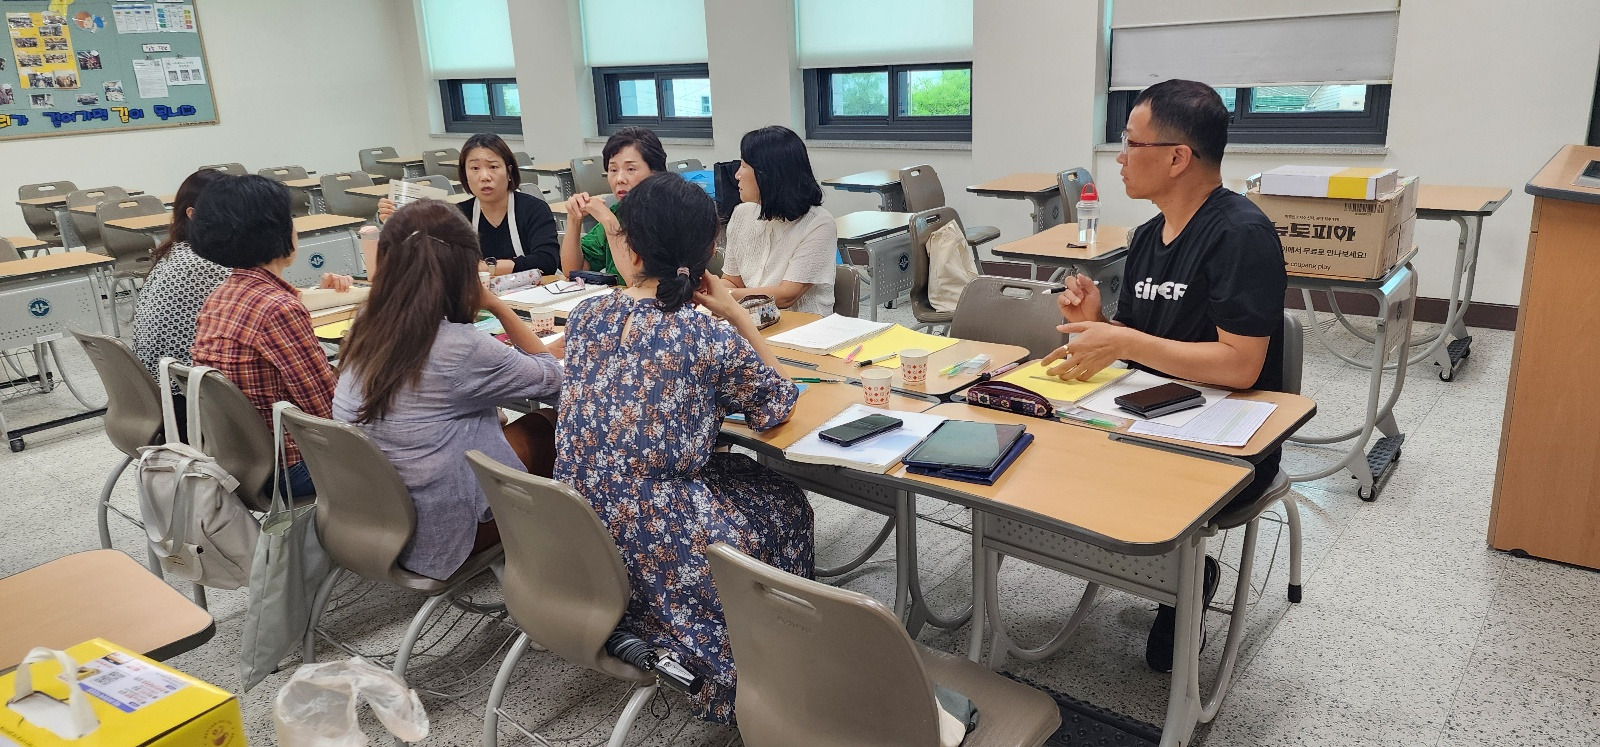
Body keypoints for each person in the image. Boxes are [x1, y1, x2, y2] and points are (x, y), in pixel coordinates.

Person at [1043, 79, 1287, 673]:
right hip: (1152, 413)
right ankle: (1165, 569)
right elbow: (1141, 342)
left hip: (1229, 438)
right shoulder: (1148, 236)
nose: (1120, 158)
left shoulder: (1240, 235)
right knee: (1046, 453)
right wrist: (1099, 324)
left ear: (1178, 157)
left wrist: (1124, 340)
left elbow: (1241, 365)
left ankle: (1185, 574)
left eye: (1131, 143)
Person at [553, 172, 812, 723]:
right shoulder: (704, 333)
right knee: (786, 504)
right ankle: (774, 666)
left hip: (580, 519)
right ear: (708, 254)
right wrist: (737, 315)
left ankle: (642, 620)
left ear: (630, 247)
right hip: (662, 527)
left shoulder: (585, 316)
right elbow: (778, 402)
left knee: (734, 475)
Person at [334, 199, 561, 581]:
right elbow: (555, 380)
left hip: (374, 518)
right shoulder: (459, 346)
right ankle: (568, 570)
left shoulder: (365, 322)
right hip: (438, 533)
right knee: (555, 425)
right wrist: (495, 303)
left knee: (505, 423)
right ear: (464, 270)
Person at [190, 175, 354, 498]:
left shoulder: (221, 295)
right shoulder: (278, 310)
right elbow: (333, 412)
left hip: (241, 460)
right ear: (275, 231)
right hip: (291, 468)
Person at [377, 132, 560, 276]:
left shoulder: (533, 209)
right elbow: (428, 257)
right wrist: (395, 223)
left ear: (509, 171)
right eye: (474, 168)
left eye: (493, 167)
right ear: (464, 175)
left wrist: (486, 267)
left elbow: (546, 262)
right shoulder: (458, 214)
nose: (484, 177)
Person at [721, 125, 836, 314]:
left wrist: (723, 294)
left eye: (744, 166)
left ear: (767, 175)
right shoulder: (742, 214)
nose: (737, 175)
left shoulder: (819, 224)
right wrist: (714, 291)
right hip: (753, 320)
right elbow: (732, 280)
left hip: (803, 325)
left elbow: (786, 296)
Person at [133, 167, 229, 381]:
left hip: (166, 382)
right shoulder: (202, 263)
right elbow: (264, 305)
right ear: (192, 214)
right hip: (184, 388)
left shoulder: (178, 250)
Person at [558, 126, 666, 279]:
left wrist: (609, 223)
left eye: (631, 169)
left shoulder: (667, 216)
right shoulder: (618, 212)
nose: (619, 179)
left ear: (655, 173)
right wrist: (574, 220)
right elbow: (574, 271)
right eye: (613, 170)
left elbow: (639, 283)